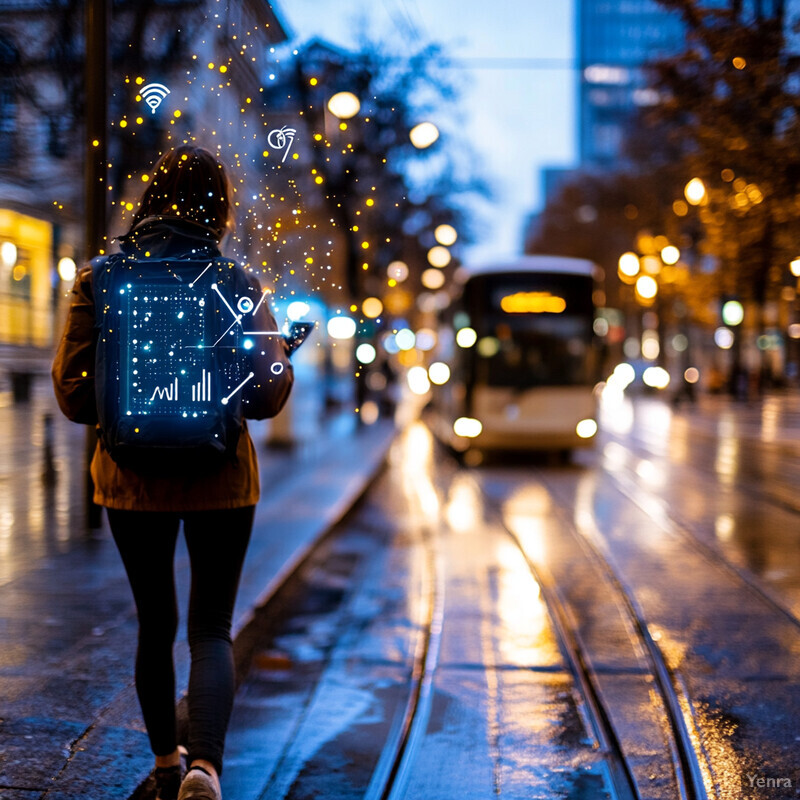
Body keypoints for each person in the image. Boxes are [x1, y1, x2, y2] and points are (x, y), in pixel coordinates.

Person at [52, 146, 293, 800]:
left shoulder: (99, 278)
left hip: (129, 480)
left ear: (151, 198)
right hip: (222, 480)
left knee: (153, 626)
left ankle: (164, 763)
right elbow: (268, 396)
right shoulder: (236, 281)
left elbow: (72, 398)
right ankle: (205, 769)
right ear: (219, 207)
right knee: (210, 627)